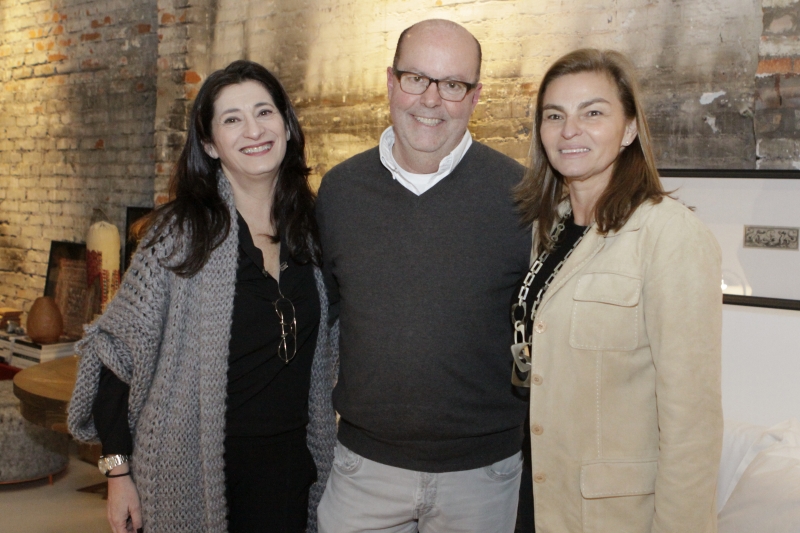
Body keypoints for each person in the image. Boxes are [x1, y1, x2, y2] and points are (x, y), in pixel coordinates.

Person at [68, 60, 337, 533]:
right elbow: (115, 355)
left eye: (264, 112)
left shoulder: (313, 230)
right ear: (210, 144)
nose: (253, 130)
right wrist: (118, 473)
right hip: (193, 469)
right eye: (232, 119)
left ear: (287, 126)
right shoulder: (181, 235)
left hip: (291, 468)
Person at [316, 19, 531, 533]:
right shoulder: (340, 191)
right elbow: (325, 318)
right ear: (390, 82)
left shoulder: (522, 196)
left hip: (485, 478)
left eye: (453, 85)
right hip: (364, 472)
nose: (431, 100)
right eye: (416, 78)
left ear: (475, 97)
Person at [512, 48, 723, 532]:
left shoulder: (670, 236)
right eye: (554, 115)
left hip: (615, 515)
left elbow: (692, 424)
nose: (570, 130)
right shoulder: (551, 227)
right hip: (541, 495)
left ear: (629, 129)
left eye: (593, 113)